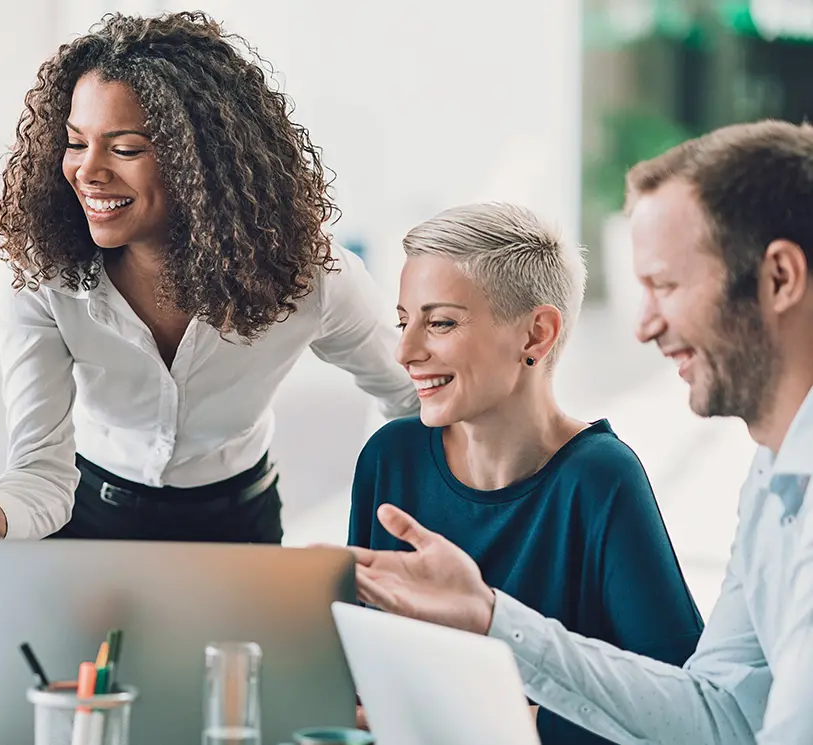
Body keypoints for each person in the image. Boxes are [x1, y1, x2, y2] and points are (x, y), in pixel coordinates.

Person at [347, 119, 813, 744]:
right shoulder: (773, 485)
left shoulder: (605, 474)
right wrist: (491, 618)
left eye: (665, 286)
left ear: (780, 278)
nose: (643, 328)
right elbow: (717, 717)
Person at [0, 12, 418, 542]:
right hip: (86, 512)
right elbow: (40, 473)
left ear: (200, 162)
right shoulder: (42, 277)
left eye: (125, 148)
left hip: (237, 521)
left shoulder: (309, 276)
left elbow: (410, 398)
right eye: (75, 142)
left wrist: (385, 512)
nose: (88, 171)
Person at [349, 202, 702, 743]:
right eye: (403, 321)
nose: (405, 351)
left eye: (440, 322)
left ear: (536, 335)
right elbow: (354, 666)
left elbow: (684, 709)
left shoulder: (601, 478)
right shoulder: (389, 458)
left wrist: (486, 723)